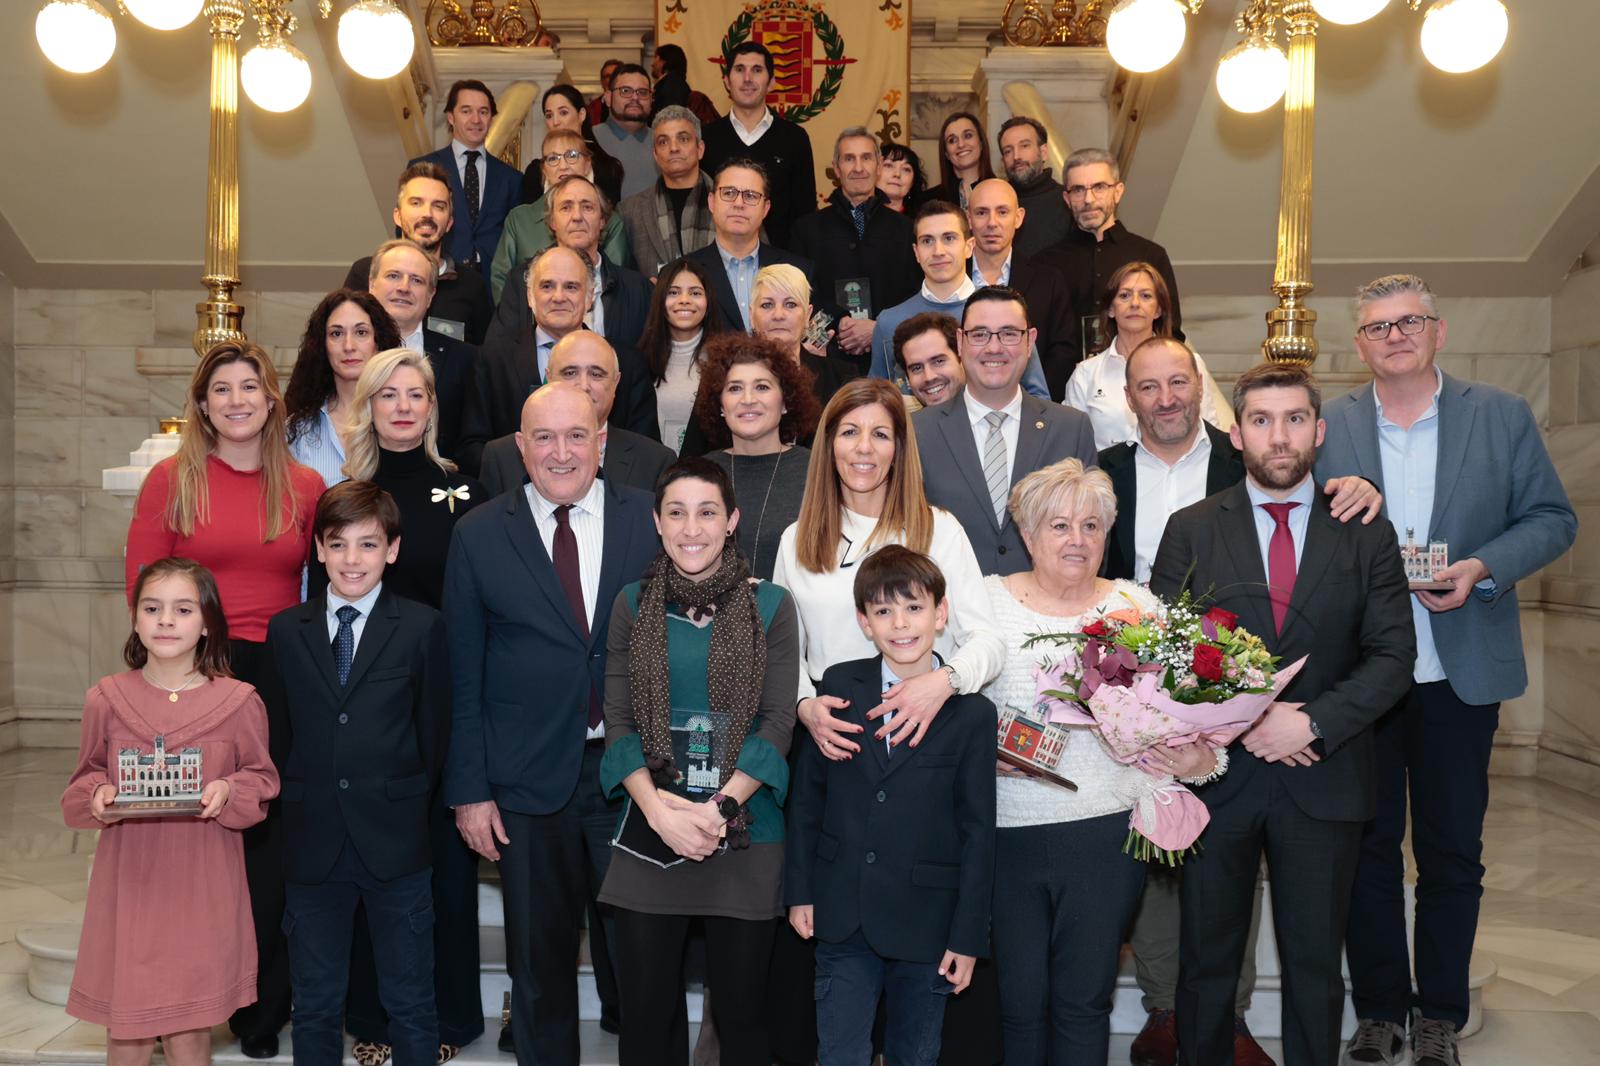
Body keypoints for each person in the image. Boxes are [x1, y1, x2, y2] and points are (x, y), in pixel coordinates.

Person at [1318, 275, 1577, 1066]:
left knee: (1451, 853)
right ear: (1358, 345)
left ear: (1438, 330)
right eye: (1378, 327)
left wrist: (1482, 567)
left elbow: (1552, 518)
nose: (1394, 336)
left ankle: (1439, 1014)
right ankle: (1378, 1011)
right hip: (1363, 676)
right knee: (1366, 852)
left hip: (1459, 671)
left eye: (1409, 322)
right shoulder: (1330, 423)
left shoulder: (1500, 414)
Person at [1104, 337, 1378, 1066]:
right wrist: (1248, 720)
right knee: (1206, 962)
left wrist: (1310, 721)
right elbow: (1164, 649)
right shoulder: (1193, 528)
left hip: (1325, 775)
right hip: (1217, 777)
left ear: (1319, 431)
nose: (1278, 436)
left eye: (1294, 419)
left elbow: (1393, 658)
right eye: (1261, 420)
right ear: (1236, 433)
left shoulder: (1362, 530)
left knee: (1315, 967)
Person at [768, 377, 1006, 1065]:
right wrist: (806, 707)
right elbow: (784, 650)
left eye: (880, 433)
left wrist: (943, 682)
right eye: (849, 432)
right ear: (827, 444)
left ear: (901, 447)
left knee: (913, 1025)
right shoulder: (798, 539)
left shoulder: (938, 528)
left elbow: (987, 639)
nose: (863, 448)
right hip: (834, 744)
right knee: (837, 1011)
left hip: (926, 743)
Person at [444, 382, 661, 1066]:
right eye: (544, 437)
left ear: (602, 441)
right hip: (525, 781)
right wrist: (470, 791)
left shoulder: (650, 518)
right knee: (538, 966)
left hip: (635, 778)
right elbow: (463, 674)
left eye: (576, 435)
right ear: (520, 446)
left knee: (645, 962)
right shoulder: (479, 533)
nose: (560, 452)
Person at [124, 341, 324, 1060]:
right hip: (195, 670)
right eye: (222, 389)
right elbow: (143, 587)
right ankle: (169, 1002)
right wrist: (166, 679)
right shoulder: (171, 481)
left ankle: (261, 1009)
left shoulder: (304, 484)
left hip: (278, 676)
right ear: (203, 407)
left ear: (271, 399)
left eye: (250, 386)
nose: (237, 400)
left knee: (266, 847)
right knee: (185, 845)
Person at [982, 458, 1215, 1065]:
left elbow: (1193, 729)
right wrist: (978, 758)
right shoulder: (982, 603)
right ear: (1027, 534)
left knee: (1084, 1003)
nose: (1077, 540)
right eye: (1059, 525)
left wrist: (1195, 756)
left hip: (1106, 833)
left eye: (1091, 526)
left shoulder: (1138, 607)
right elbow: (948, 709)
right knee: (1016, 1004)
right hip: (1004, 834)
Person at [598, 456, 800, 1066]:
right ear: (657, 522)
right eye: (677, 513)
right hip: (651, 825)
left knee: (741, 1022)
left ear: (731, 520)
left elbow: (777, 724)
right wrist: (662, 816)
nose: (692, 528)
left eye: (707, 512)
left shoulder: (772, 605)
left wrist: (716, 812)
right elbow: (619, 723)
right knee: (645, 1021)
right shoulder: (632, 605)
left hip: (743, 831)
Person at [327, 349, 485, 1065]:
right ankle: (372, 1017)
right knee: (369, 860)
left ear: (431, 406)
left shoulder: (463, 488)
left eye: (415, 394)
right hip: (366, 698)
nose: (401, 407)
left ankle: (447, 1016)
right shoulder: (347, 493)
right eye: (387, 395)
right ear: (367, 404)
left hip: (444, 695)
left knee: (443, 862)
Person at [787, 546, 997, 1066]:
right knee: (839, 1054)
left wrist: (968, 937)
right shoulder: (839, 686)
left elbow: (978, 831)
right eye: (883, 610)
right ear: (864, 622)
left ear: (941, 614)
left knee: (914, 1055)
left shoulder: (972, 713)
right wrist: (800, 891)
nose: (900, 624)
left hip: (928, 924)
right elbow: (808, 799)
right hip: (842, 911)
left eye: (914, 607)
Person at [64, 558, 278, 1066]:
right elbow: (82, 781)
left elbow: (262, 780)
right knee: (128, 1029)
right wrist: (98, 795)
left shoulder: (240, 701)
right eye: (152, 608)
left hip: (202, 880)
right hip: (132, 882)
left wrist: (229, 788)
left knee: (189, 1027)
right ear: (135, 619)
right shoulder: (106, 699)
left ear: (207, 623)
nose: (165, 620)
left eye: (183, 609)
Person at [269, 482, 451, 1066]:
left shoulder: (422, 628)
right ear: (319, 549)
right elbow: (279, 735)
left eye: (368, 544)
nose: (352, 559)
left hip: (396, 842)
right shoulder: (286, 631)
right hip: (313, 841)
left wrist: (406, 799)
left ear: (392, 550)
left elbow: (433, 734)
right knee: (316, 1003)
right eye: (338, 543)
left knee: (411, 1001)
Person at [914, 285, 1097, 576]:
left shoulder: (1071, 429)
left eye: (1009, 334)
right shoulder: (917, 432)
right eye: (980, 334)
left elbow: (1092, 536)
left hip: (1048, 602)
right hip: (949, 601)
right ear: (960, 342)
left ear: (1030, 342)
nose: (994, 348)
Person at [460, 246, 659, 473]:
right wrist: (539, 477)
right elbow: (472, 448)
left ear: (589, 297)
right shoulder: (493, 359)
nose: (558, 297)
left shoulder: (627, 362)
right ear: (530, 296)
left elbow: (645, 454)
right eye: (547, 286)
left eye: (571, 287)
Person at [868, 201, 1046, 400]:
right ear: (916, 252)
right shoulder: (889, 322)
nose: (938, 251)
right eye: (927, 241)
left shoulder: (1005, 311)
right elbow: (876, 400)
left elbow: (1038, 397)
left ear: (969, 246)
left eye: (949, 238)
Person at [478, 331, 675, 497]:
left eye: (596, 374)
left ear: (615, 383)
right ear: (548, 378)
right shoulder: (501, 459)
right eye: (570, 373)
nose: (583, 386)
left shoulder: (655, 462)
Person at [789, 127, 921, 373]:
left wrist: (879, 327)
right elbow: (801, 293)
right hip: (827, 363)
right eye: (849, 159)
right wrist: (841, 322)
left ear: (878, 166)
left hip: (893, 362)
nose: (858, 168)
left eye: (866, 158)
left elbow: (917, 295)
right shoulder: (806, 230)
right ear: (836, 168)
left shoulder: (907, 230)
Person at [1041, 147, 1183, 367]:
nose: (1088, 199)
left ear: (1118, 192)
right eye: (1078, 190)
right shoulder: (1046, 263)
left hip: (1139, 378)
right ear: (1067, 199)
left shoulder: (1151, 255)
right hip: (1064, 384)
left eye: (1099, 187)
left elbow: (1170, 331)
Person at [692, 333, 820, 577]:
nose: (748, 400)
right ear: (720, 405)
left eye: (762, 387)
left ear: (785, 402)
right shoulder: (699, 474)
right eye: (735, 388)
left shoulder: (817, 470)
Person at [1065, 261, 1223, 450]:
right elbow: (1071, 445)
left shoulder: (1190, 363)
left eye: (1146, 296)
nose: (1135, 303)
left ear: (1158, 310)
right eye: (1124, 295)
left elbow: (1210, 434)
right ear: (1111, 309)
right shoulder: (1086, 374)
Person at [344, 161, 493, 345]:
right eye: (416, 203)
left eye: (438, 206)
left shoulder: (471, 286)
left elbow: (482, 357)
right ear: (398, 216)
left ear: (449, 223)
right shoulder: (364, 272)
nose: (427, 214)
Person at [367, 239, 479, 463]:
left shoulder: (465, 359)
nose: (404, 287)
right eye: (393, 276)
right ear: (371, 285)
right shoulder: (346, 354)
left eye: (416, 280)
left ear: (430, 296)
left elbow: (471, 442)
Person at [700, 41, 817, 248]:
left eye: (756, 70)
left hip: (781, 261)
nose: (747, 78)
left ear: (771, 82)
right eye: (739, 69)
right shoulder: (706, 138)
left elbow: (805, 213)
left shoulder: (795, 138)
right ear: (727, 81)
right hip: (717, 259)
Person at [492, 129, 631, 301]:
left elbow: (615, 280)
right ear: (544, 170)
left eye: (572, 155)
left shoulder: (610, 219)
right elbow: (501, 279)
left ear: (587, 164)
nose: (563, 165)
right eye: (553, 158)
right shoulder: (520, 218)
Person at [966, 178, 1073, 398]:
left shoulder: (1048, 280)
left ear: (1019, 217)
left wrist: (1030, 405)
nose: (992, 222)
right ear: (969, 218)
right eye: (982, 212)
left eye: (1002, 212)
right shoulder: (949, 278)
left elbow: (1062, 353)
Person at [284, 288, 401, 486]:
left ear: (378, 341)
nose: (348, 346)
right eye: (336, 333)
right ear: (323, 345)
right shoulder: (297, 429)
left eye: (361, 332)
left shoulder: (403, 417)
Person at [686, 158, 813, 334]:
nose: (739, 204)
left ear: (765, 209)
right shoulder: (684, 272)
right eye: (729, 193)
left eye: (751, 196)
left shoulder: (799, 271)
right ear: (712, 202)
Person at [410, 80, 522, 279]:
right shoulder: (424, 168)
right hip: (440, 278)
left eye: (483, 112)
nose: (476, 119)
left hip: (492, 283)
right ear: (451, 117)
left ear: (491, 119)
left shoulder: (511, 178)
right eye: (466, 111)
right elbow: (407, 227)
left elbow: (516, 238)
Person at [637, 256, 726, 451]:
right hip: (653, 466)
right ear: (660, 300)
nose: (684, 300)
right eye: (673, 292)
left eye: (695, 293)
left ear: (708, 301)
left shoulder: (726, 362)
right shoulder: (639, 361)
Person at [618, 106, 718, 280]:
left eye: (683, 139)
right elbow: (620, 277)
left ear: (700, 149)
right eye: (663, 142)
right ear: (655, 155)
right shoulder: (630, 211)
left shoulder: (731, 202)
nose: (673, 148)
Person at [520, 84, 624, 207]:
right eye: (549, 115)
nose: (555, 122)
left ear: (581, 115)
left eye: (563, 113)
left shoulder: (608, 169)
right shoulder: (535, 172)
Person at [997, 116, 1070, 259]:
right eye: (1008, 151)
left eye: (1024, 146)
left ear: (1043, 152)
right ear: (1003, 161)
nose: (1016, 156)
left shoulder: (1067, 200)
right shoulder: (995, 203)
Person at [591, 63, 659, 201]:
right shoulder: (589, 140)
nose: (635, 98)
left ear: (651, 100)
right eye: (625, 91)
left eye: (642, 92)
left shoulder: (664, 142)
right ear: (608, 98)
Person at [892, 312, 965, 410]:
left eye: (939, 361)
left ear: (962, 357)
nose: (929, 377)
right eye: (917, 368)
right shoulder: (909, 420)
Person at [927, 112, 994, 211]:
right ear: (946, 153)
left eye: (968, 135)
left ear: (981, 143)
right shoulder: (929, 201)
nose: (961, 144)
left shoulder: (1005, 191)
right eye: (952, 140)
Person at [650, 43, 721, 127]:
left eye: (656, 57)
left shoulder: (672, 85)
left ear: (664, 61)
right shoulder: (675, 83)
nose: (652, 64)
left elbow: (670, 120)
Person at [877, 142, 927, 215]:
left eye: (906, 169)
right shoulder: (860, 216)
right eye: (888, 165)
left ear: (913, 181)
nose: (897, 174)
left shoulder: (924, 219)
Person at [588, 58, 624, 128]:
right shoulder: (591, 109)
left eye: (614, 75)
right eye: (607, 76)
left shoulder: (633, 104)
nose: (611, 79)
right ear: (602, 82)